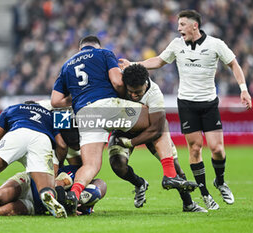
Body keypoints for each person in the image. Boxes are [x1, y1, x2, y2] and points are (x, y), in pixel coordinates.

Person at [119, 10, 252, 209]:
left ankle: (220, 181)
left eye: (182, 24)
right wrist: (134, 64)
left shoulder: (215, 44)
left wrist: (243, 89)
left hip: (208, 103)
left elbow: (233, 64)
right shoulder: (176, 45)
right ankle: (205, 194)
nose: (179, 28)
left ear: (194, 26)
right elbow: (159, 61)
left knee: (217, 149)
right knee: (195, 148)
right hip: (187, 104)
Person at [51, 35, 197, 214]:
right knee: (157, 121)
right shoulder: (104, 54)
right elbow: (117, 82)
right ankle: (169, 175)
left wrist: (81, 95)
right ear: (97, 47)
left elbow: (55, 101)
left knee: (91, 165)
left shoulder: (66, 66)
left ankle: (74, 193)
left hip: (84, 114)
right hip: (108, 108)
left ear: (81, 48)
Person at [109, 64, 206, 212]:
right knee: (118, 166)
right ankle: (140, 183)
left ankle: (189, 204)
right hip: (124, 128)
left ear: (146, 84)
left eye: (138, 92)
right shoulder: (119, 85)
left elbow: (156, 129)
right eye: (131, 92)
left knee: (174, 167)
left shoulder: (154, 94)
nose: (134, 95)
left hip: (150, 130)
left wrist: (130, 143)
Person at [0, 165, 107, 216]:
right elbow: (56, 183)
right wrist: (66, 202)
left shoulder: (85, 205)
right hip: (31, 183)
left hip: (37, 205)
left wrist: (72, 208)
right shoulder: (73, 172)